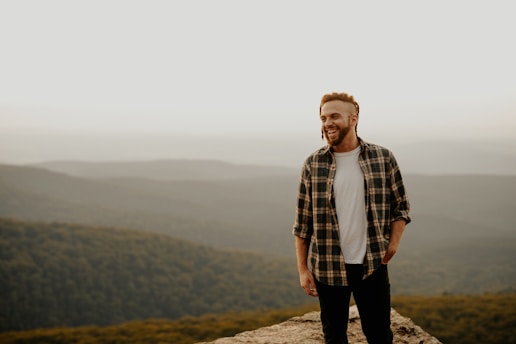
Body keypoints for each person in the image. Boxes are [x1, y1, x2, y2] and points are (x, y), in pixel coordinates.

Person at [293, 92, 411, 344]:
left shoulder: (383, 158)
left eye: (334, 116)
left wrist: (393, 244)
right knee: (334, 336)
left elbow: (400, 206)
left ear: (354, 118)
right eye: (323, 117)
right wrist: (303, 269)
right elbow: (303, 224)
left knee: (379, 335)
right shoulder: (313, 164)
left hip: (372, 265)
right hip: (327, 266)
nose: (327, 123)